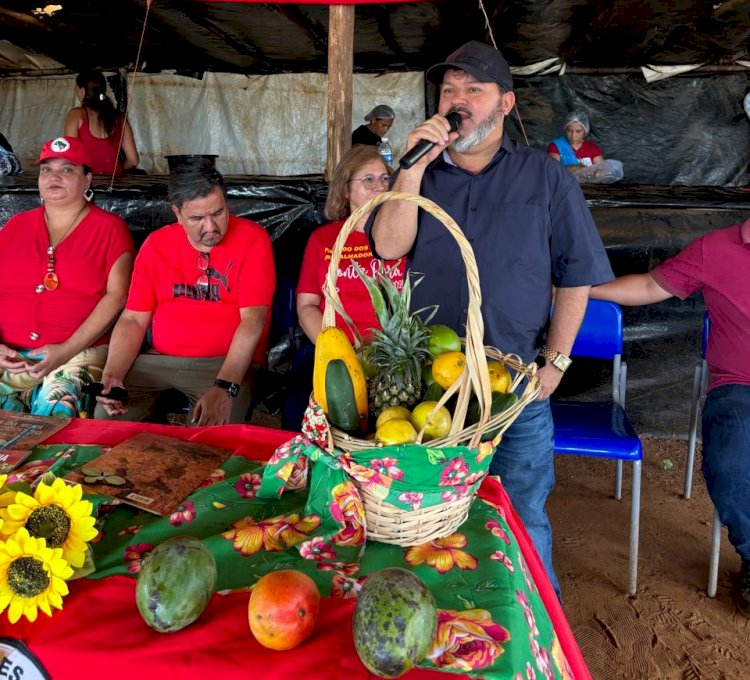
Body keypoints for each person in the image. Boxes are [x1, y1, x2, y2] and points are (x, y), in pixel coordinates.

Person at [369, 40, 613, 599]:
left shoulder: (545, 177)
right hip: (429, 386)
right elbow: (387, 247)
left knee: (522, 513)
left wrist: (554, 362)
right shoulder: (420, 173)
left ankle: (535, 630)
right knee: (429, 511)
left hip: (515, 385)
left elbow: (576, 275)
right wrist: (410, 171)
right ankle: (441, 623)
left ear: (505, 103)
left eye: (472, 91)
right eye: (449, 91)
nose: (458, 102)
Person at [589, 226, 750, 616]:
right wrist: (580, 290)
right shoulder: (716, 248)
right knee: (730, 468)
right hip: (740, 389)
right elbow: (648, 287)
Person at [97, 164, 275, 426]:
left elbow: (253, 320)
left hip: (222, 366)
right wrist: (113, 374)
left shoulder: (253, 239)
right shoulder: (157, 245)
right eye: (197, 219)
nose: (211, 226)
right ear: (177, 214)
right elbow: (133, 319)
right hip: (157, 360)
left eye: (219, 212)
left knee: (210, 442)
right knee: (104, 423)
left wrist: (225, 387)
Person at [0, 136, 133, 416]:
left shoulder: (110, 229)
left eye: (67, 169)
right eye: (46, 169)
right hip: (8, 355)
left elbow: (116, 296)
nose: (54, 177)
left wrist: (66, 349)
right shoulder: (16, 226)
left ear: (87, 179)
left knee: (56, 408)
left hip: (76, 356)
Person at [297, 146, 406, 345]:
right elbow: (306, 305)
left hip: (396, 354)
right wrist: (333, 349)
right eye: (368, 179)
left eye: (384, 178)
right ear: (346, 190)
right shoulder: (323, 240)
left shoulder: (406, 235)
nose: (379, 186)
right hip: (341, 352)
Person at [64, 70, 139, 176]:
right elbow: (133, 161)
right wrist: (117, 170)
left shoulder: (76, 115)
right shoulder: (120, 119)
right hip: (116, 186)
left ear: (82, 91)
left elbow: (69, 155)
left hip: (87, 185)